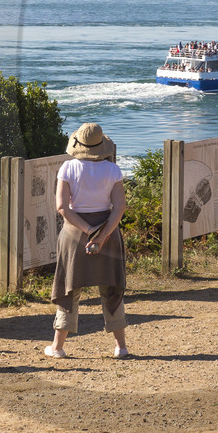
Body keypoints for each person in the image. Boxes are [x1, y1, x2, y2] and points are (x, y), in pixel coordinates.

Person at [47, 123, 130, 359]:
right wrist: (101, 235)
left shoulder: (67, 168)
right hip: (108, 232)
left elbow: (62, 207)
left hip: (74, 233)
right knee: (112, 288)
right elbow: (119, 207)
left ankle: (58, 347)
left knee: (68, 287)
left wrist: (88, 230)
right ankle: (120, 347)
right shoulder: (113, 170)